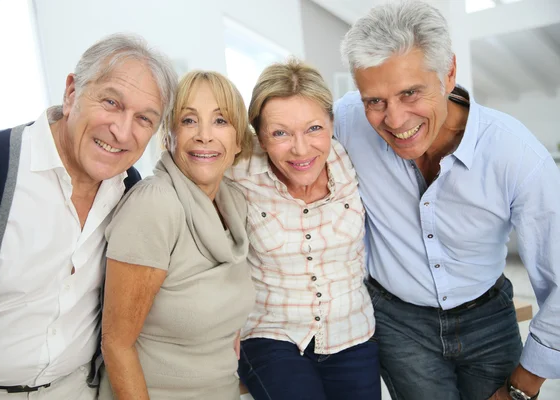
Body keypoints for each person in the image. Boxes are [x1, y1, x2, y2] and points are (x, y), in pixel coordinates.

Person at [336, 2, 560, 400]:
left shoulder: (516, 154)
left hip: (488, 319)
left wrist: (525, 384)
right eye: (374, 101)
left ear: (449, 73)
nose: (395, 119)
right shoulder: (343, 122)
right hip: (398, 326)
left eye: (410, 93)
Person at [0, 33, 177, 399]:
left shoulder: (131, 190)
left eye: (144, 118)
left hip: (78, 390)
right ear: (72, 92)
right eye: (111, 102)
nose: (122, 131)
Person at [228, 59, 380, 400]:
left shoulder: (352, 159)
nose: (300, 149)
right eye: (280, 133)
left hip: (352, 330)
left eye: (314, 128)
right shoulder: (238, 170)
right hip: (272, 334)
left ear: (331, 122)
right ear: (260, 137)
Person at [98, 70, 255, 400]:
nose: (204, 136)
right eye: (188, 121)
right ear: (168, 136)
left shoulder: (234, 202)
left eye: (221, 121)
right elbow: (116, 343)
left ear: (238, 140)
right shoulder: (155, 204)